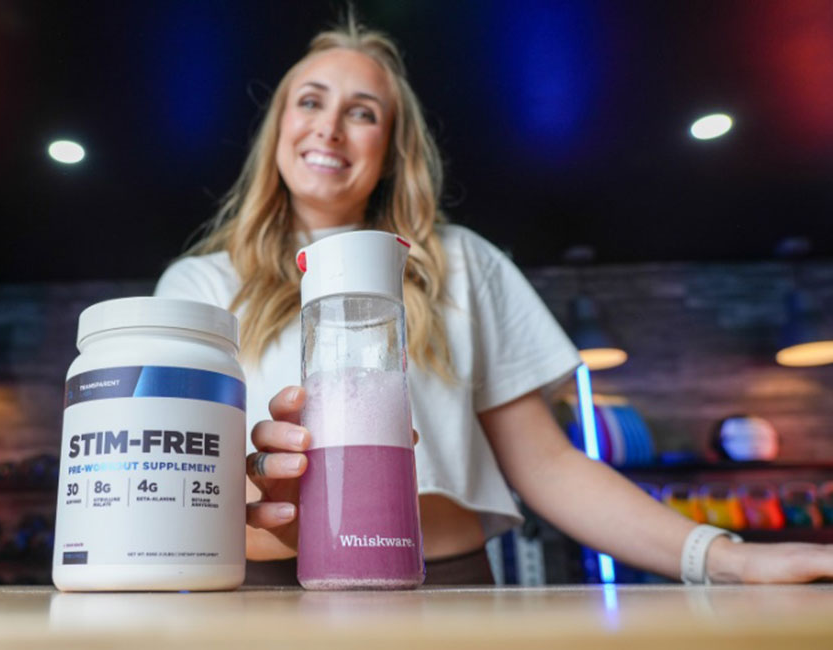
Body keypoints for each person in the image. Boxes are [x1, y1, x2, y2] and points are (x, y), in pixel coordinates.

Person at [155, 18, 833, 585]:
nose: (329, 127)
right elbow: (181, 476)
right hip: (263, 589)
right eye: (309, 101)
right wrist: (275, 503)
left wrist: (725, 559)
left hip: (448, 580)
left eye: (362, 112)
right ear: (277, 128)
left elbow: (550, 467)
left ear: (390, 150)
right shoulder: (201, 286)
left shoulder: (461, 263)